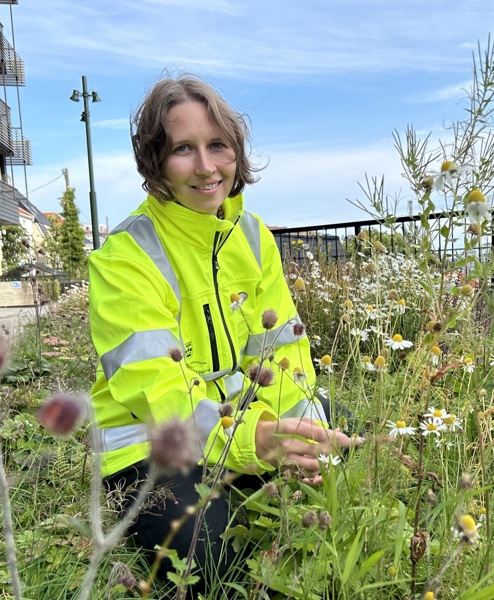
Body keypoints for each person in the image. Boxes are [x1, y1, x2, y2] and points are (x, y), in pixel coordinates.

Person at [88, 75, 353, 596]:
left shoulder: (253, 237)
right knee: (212, 566)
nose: (206, 168)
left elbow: (286, 352)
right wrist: (252, 442)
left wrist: (291, 432)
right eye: (183, 149)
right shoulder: (124, 255)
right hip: (150, 445)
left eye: (218, 146)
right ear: (155, 161)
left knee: (338, 428)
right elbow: (157, 388)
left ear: (237, 152)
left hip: (239, 426)